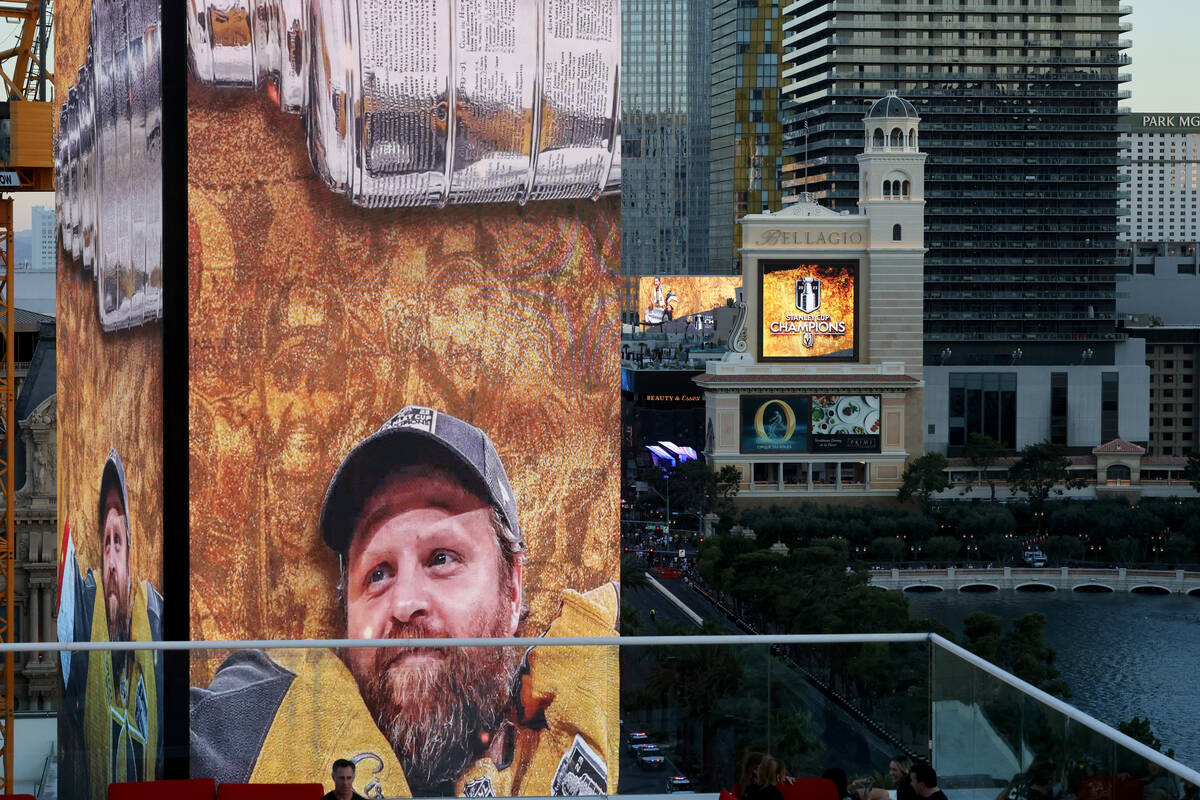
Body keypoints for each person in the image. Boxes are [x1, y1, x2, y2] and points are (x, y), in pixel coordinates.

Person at [190, 406, 619, 797]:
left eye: (441, 559)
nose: (405, 602)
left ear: (512, 590)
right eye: (377, 573)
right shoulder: (263, 722)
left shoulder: (602, 701)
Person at [58, 449, 164, 800]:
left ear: (132, 555)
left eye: (118, 542)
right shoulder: (84, 631)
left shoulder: (157, 628)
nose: (112, 561)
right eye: (106, 543)